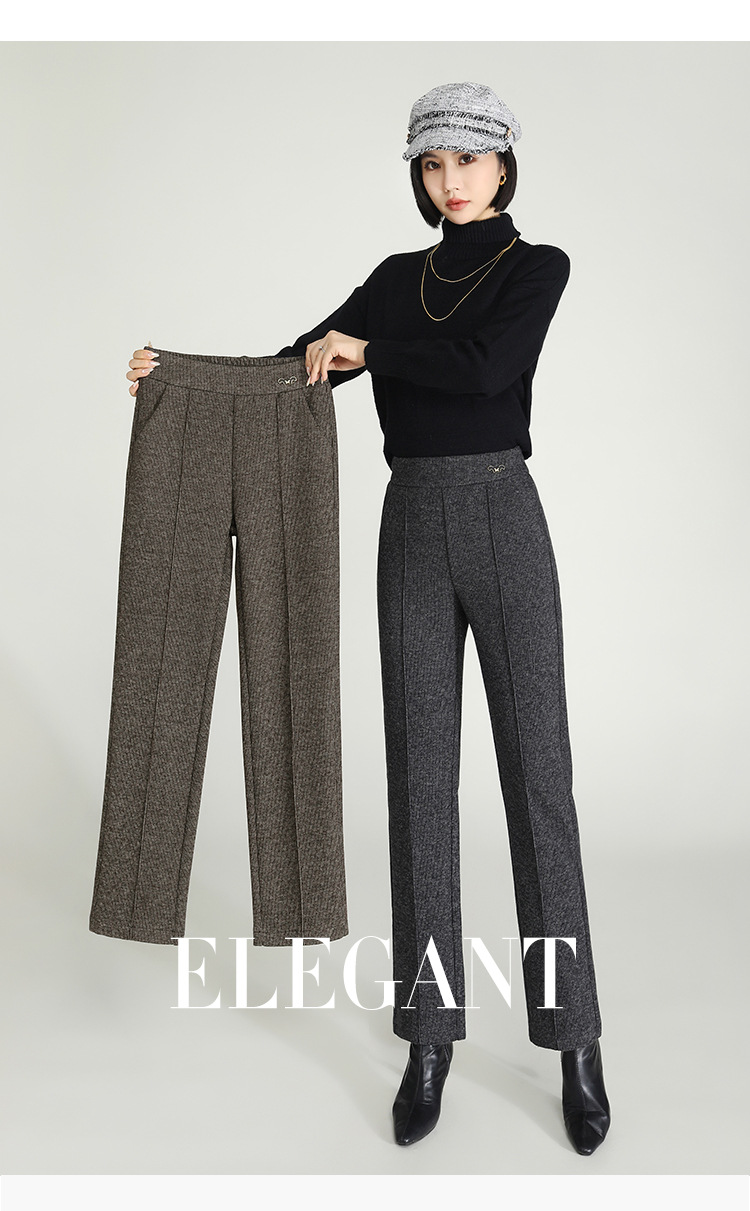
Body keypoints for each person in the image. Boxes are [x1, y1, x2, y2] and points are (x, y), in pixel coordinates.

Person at [126, 81, 611, 1155]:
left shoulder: (537, 267)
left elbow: (488, 368)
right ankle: (428, 1039)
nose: (450, 180)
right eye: (432, 163)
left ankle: (575, 1037)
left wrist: (372, 351)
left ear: (503, 164)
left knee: (540, 780)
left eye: (468, 160)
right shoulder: (396, 281)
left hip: (505, 514)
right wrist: (174, 381)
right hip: (411, 526)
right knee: (419, 786)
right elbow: (288, 372)